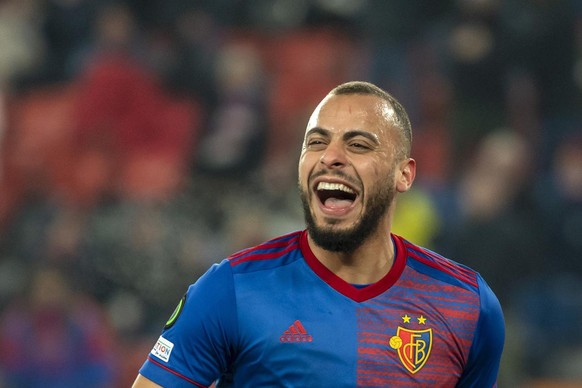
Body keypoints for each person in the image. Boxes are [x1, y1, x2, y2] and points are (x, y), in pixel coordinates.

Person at [132, 81, 505, 387]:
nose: (330, 157)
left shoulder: (468, 306)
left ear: (403, 175)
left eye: (358, 145)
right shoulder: (232, 289)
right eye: (316, 142)